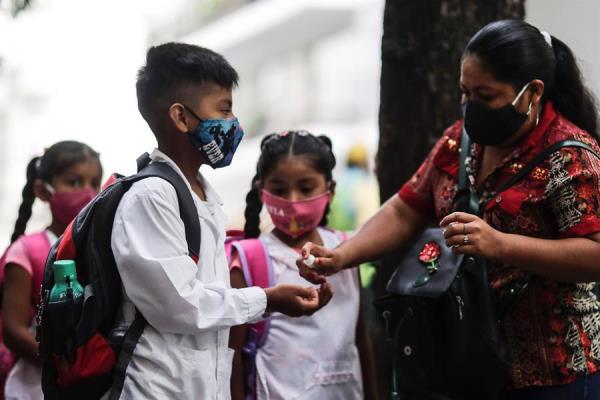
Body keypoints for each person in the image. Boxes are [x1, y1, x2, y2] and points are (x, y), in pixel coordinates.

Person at [297, 19, 600, 400]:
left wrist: (500, 244)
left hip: (552, 373)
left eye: (485, 96)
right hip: (464, 366)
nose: (470, 107)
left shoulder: (572, 156)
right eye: (464, 92)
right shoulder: (460, 140)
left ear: (532, 92)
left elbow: (595, 253)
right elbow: (406, 208)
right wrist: (341, 256)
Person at [109, 43, 332, 399]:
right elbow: (179, 306)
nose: (232, 124)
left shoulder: (204, 194)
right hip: (156, 390)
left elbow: (210, 301)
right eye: (224, 110)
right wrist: (267, 299)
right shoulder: (152, 196)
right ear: (181, 118)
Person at [228, 130, 378, 400]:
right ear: (262, 192)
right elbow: (232, 356)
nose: (293, 201)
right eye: (279, 190)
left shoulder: (346, 251)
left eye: (306, 188)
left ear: (329, 191)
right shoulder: (249, 260)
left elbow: (361, 339)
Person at [0, 141, 102, 400]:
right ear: (42, 190)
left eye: (94, 183)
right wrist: (62, 363)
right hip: (32, 390)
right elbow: (12, 330)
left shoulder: (102, 249)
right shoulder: (27, 251)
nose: (88, 193)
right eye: (74, 182)